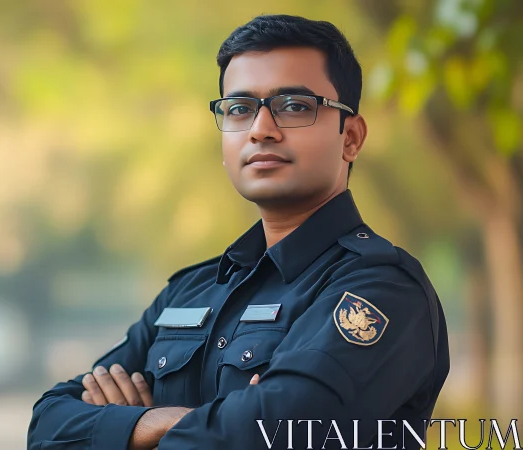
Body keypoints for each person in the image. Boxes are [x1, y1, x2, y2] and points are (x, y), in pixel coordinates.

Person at [27, 14, 449, 450]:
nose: (261, 129)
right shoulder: (189, 292)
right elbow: (47, 425)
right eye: (240, 108)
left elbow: (276, 433)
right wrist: (151, 424)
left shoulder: (382, 289)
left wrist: (128, 430)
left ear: (351, 138)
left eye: (294, 106)